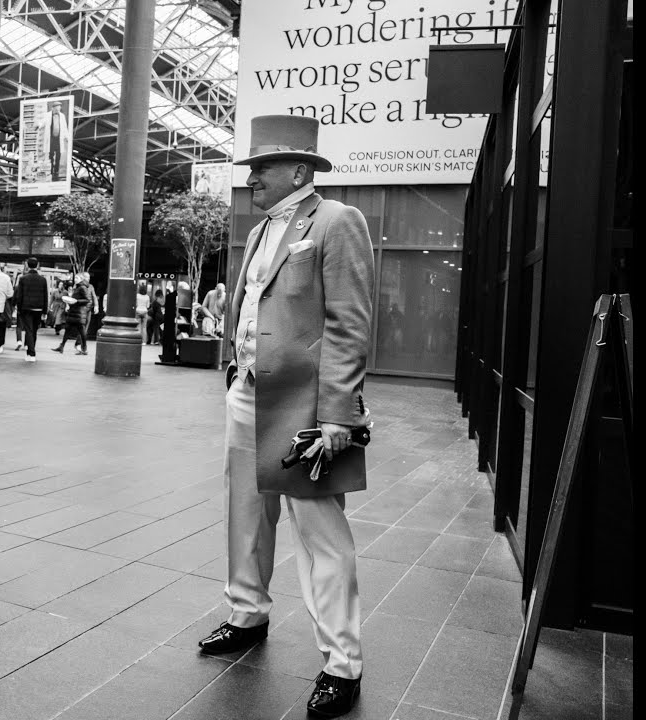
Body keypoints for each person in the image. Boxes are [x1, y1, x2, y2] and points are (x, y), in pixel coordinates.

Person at [199, 114, 374, 719]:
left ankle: (342, 663)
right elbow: (253, 305)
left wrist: (338, 415)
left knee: (321, 532)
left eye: (262, 168)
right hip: (248, 392)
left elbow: (349, 325)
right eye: (251, 169)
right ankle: (246, 615)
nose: (252, 178)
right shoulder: (258, 232)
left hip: (305, 410)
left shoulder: (337, 221)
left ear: (298, 171)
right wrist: (232, 365)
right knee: (245, 513)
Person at [13, 257, 49, 362]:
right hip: (38, 308)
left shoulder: (23, 279)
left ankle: (31, 353)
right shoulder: (43, 279)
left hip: (26, 307)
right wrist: (45, 311)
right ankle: (30, 352)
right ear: (37, 265)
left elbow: (20, 295)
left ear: (27, 265)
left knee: (28, 330)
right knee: (34, 330)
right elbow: (45, 295)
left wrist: (19, 308)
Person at [52, 273, 90, 355]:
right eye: (75, 278)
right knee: (68, 330)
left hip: (79, 313)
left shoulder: (82, 288)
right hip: (74, 312)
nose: (75, 279)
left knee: (81, 331)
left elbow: (87, 300)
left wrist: (76, 301)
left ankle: (84, 348)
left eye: (77, 278)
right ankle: (62, 346)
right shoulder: (77, 287)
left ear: (81, 279)